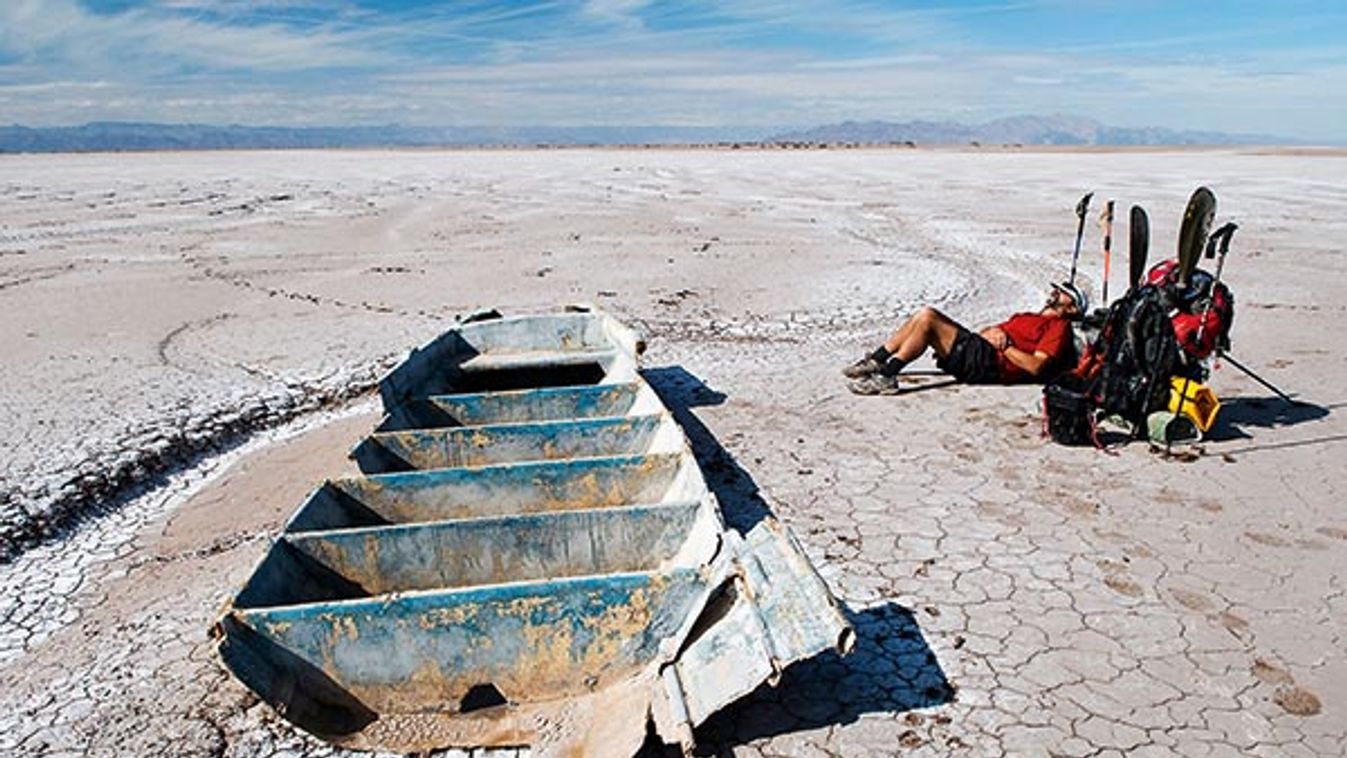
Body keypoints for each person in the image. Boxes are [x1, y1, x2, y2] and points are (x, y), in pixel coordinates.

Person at [844, 282, 1088, 395]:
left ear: (1073, 308)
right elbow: (988, 333)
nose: (1056, 292)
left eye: (1064, 293)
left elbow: (1037, 366)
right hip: (982, 350)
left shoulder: (1059, 327)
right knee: (922, 317)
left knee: (929, 319)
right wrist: (989, 333)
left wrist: (1006, 345)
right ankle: (879, 362)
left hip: (991, 363)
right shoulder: (1026, 316)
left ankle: (887, 374)